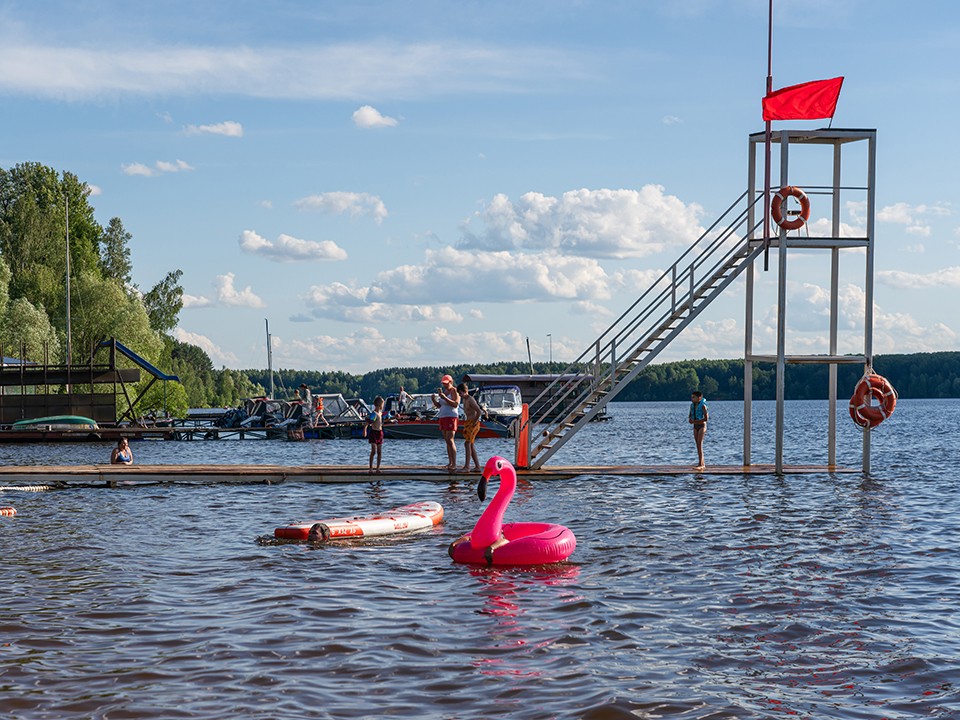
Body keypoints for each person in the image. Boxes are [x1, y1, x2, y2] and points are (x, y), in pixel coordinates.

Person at [433, 374, 460, 472]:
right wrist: (434, 400)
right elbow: (440, 406)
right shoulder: (444, 392)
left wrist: (444, 398)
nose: (445, 385)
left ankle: (454, 463)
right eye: (443, 384)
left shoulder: (454, 391)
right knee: (446, 440)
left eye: (446, 383)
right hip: (443, 416)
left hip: (451, 417)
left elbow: (455, 404)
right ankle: (450, 462)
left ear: (451, 382)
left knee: (450, 439)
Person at [457, 383, 482, 473]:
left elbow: (479, 411)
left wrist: (474, 422)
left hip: (473, 423)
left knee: (467, 444)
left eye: (460, 393)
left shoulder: (470, 399)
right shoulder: (464, 399)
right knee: (469, 444)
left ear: (465, 391)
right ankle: (477, 466)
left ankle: (467, 467)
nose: (460, 395)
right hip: (468, 423)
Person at [688, 390, 709, 470]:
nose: (692, 399)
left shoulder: (703, 406)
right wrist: (691, 420)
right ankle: (701, 463)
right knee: (697, 445)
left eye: (694, 397)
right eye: (691, 397)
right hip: (695, 426)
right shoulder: (692, 406)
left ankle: (701, 464)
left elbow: (706, 419)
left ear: (699, 398)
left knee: (700, 444)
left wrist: (695, 421)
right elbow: (690, 416)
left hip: (702, 426)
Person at [364, 396, 385, 473]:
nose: (383, 406)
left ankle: (378, 468)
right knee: (373, 451)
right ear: (379, 405)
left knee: (379, 451)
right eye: (382, 404)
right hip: (374, 433)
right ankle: (370, 468)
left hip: (380, 433)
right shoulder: (374, 414)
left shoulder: (380, 413)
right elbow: (368, 422)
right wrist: (365, 430)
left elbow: (381, 421)